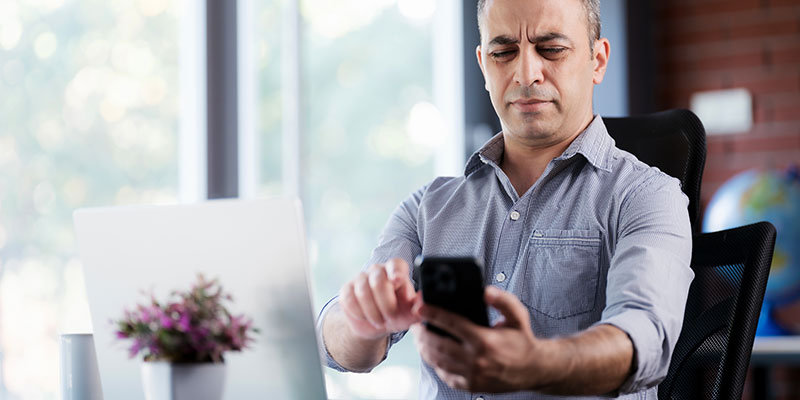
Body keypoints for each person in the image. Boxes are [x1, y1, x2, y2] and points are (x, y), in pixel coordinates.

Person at [316, 0, 694, 398]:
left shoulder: (648, 196)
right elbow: (341, 350)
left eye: (551, 49)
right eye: (503, 52)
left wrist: (537, 365)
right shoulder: (427, 207)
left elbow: (646, 341)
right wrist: (362, 319)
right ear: (483, 65)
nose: (526, 74)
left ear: (597, 61)